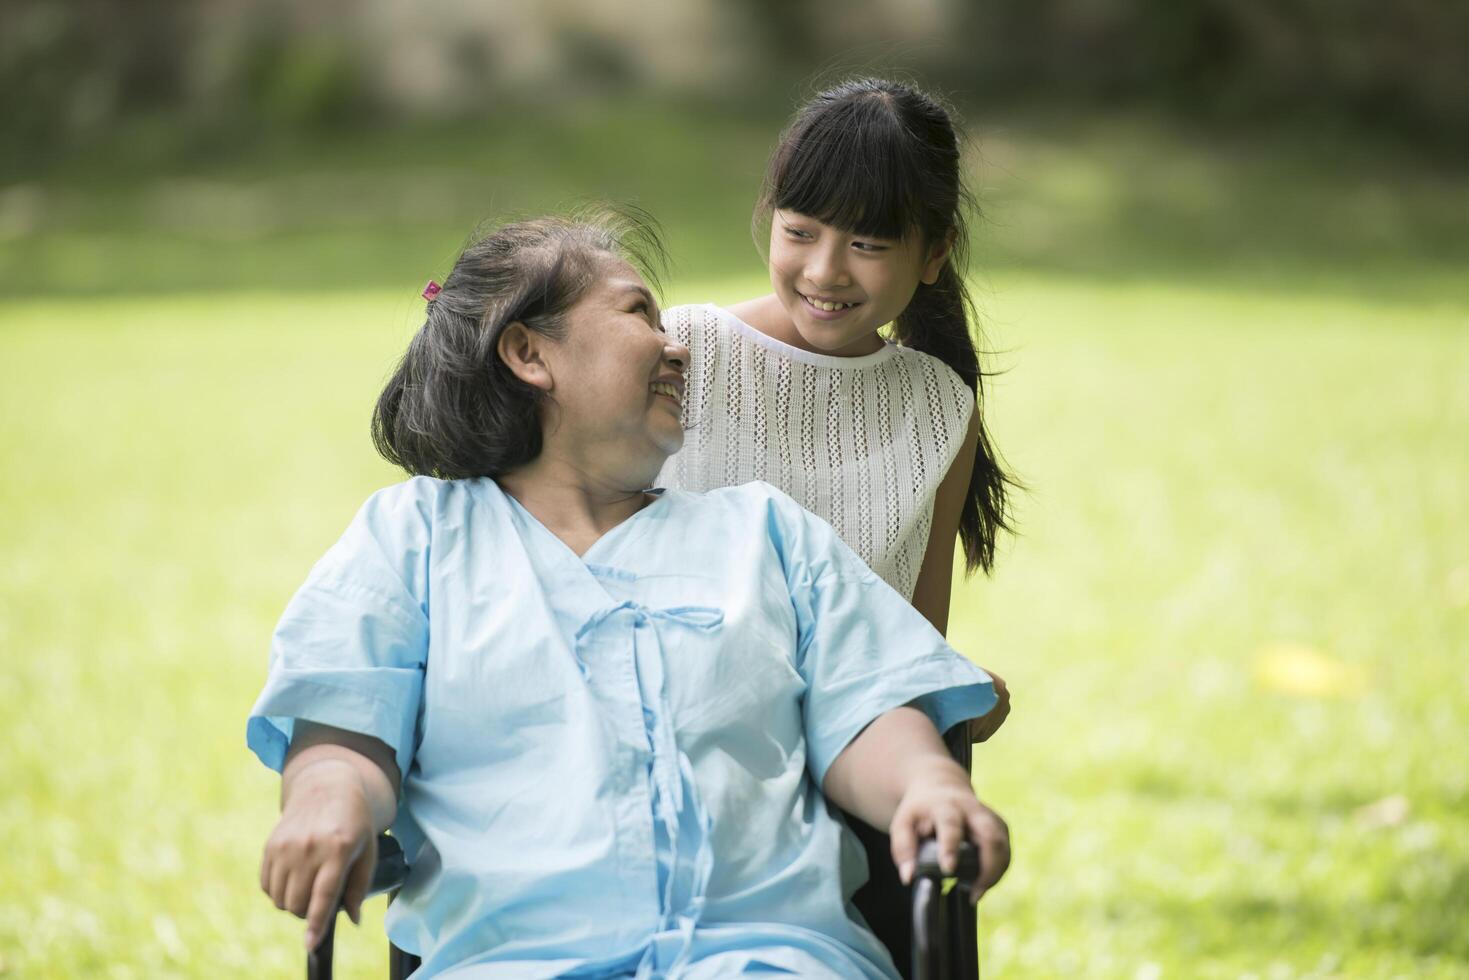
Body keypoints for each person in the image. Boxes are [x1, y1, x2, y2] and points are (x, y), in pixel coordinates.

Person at [249, 213, 1010, 979]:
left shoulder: (765, 534)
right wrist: (324, 799)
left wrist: (928, 783)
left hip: (766, 958)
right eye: (637, 313)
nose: (677, 346)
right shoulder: (411, 538)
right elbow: (346, 728)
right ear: (528, 353)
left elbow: (869, 709)